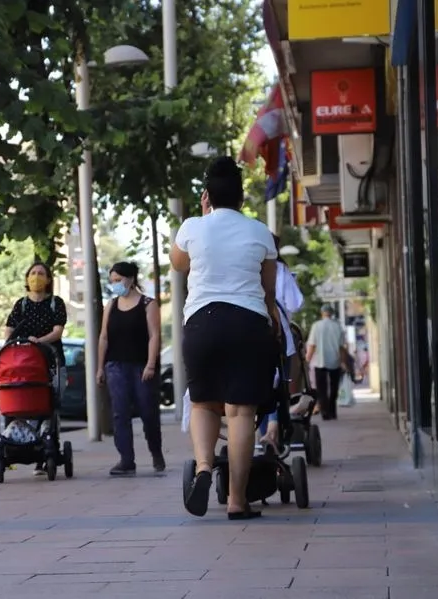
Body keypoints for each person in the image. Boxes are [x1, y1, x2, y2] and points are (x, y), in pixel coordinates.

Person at [170, 156, 279, 519]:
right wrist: (272, 322)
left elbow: (179, 263)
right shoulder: (260, 232)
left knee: (203, 404)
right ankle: (236, 500)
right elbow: (268, 289)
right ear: (241, 197)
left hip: (202, 323)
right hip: (248, 323)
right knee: (240, 411)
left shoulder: (193, 227)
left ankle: (204, 466)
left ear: (207, 196)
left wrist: (204, 217)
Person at [96, 261, 165, 476]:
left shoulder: (148, 304)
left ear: (131, 278)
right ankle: (126, 459)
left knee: (148, 412)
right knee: (120, 413)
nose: (115, 284)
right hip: (115, 366)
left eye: (118, 280)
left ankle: (156, 451)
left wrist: (151, 364)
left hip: (141, 366)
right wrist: (100, 367)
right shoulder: (111, 305)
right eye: (112, 281)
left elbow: (154, 335)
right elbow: (104, 337)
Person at [4, 262, 68, 475]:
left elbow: (57, 332)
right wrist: (14, 344)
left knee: (50, 406)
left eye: (41, 273)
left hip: (51, 362)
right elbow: (9, 330)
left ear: (48, 279)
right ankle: (18, 446)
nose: (36, 277)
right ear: (27, 278)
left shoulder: (55, 303)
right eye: (33, 273)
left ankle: (48, 449)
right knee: (22, 404)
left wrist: (39, 341)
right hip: (25, 364)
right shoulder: (21, 305)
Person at [259, 235, 305, 449]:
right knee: (279, 384)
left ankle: (265, 437)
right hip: (279, 332)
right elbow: (295, 303)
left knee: (259, 387)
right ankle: (275, 430)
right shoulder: (280, 269)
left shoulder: (246, 266)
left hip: (249, 331)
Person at [306, 304, 348, 420]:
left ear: (322, 313)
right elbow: (341, 347)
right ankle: (332, 411)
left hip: (320, 361)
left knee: (321, 389)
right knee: (334, 387)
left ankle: (325, 412)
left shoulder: (316, 326)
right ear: (332, 313)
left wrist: (307, 360)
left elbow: (312, 345)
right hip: (335, 361)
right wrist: (344, 362)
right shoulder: (337, 326)